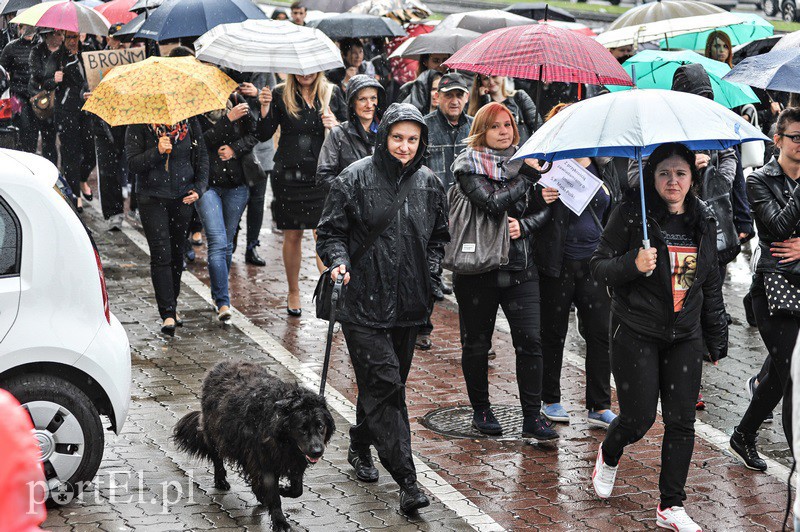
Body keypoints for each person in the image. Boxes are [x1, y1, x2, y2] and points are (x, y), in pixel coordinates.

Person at [316, 103, 449, 515]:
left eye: (412, 139)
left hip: (410, 307)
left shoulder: (430, 184)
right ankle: (408, 482)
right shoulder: (353, 178)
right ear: (384, 136)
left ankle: (359, 441)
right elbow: (329, 231)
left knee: (383, 387)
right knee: (387, 384)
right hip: (362, 305)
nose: (405, 146)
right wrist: (338, 259)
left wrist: (430, 274)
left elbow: (438, 238)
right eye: (397, 138)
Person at [590, 143, 727, 531]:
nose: (673, 181)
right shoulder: (634, 214)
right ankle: (610, 451)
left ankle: (671, 505)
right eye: (664, 172)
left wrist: (716, 336)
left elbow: (710, 281)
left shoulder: (703, 219)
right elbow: (598, 267)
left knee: (682, 421)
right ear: (652, 177)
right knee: (639, 417)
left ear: (692, 179)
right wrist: (632, 263)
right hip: (636, 330)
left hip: (685, 333)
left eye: (680, 173)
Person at [451, 102, 557, 441]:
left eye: (508, 125)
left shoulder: (527, 163)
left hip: (520, 268)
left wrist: (524, 227)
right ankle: (481, 409)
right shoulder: (467, 166)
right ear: (482, 131)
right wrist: (527, 175)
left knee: (531, 342)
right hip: (477, 270)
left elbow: (544, 213)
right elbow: (493, 202)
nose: (503, 131)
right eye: (495, 126)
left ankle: (531, 416)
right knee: (477, 343)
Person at [535, 103, 620, 429]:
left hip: (595, 263)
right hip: (558, 262)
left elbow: (615, 207)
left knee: (600, 333)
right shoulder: (547, 167)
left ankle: (599, 406)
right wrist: (538, 195)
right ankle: (550, 399)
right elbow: (529, 212)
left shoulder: (602, 164)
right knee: (553, 332)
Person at [729, 108, 800, 472]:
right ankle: (797, 456)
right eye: (796, 138)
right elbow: (776, 229)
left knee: (779, 374)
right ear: (778, 140)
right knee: (791, 374)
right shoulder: (758, 180)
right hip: (774, 290)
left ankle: (743, 434)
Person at [257, 72, 339, 316]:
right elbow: (263, 133)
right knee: (292, 235)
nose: (306, 74)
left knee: (321, 235)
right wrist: (264, 108)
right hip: (289, 174)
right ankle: (293, 291)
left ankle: (329, 294)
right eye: (301, 69)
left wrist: (335, 125)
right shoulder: (281, 93)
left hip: (321, 174)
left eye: (311, 69)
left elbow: (347, 130)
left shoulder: (331, 93)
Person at [125, 116, 208, 336]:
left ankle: (173, 303)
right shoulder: (140, 123)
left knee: (177, 252)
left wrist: (199, 188)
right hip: (151, 198)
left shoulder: (190, 123)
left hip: (182, 199)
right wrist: (157, 151)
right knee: (161, 254)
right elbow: (132, 164)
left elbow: (202, 159)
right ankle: (167, 312)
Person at [414, 72, 473, 350]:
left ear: (466, 97)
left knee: (469, 274)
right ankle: (421, 326)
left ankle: (474, 334)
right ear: (437, 96)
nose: (454, 100)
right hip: (431, 211)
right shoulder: (423, 127)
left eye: (459, 95)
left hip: (468, 212)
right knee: (428, 271)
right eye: (449, 95)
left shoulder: (475, 128)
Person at [196, 91, 258, 321]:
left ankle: (217, 293)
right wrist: (227, 121)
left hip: (237, 183)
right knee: (217, 241)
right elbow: (200, 142)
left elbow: (255, 135)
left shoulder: (238, 102)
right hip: (207, 184)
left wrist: (235, 149)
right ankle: (223, 302)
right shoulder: (194, 107)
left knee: (228, 242)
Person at [43, 30, 96, 212]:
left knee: (90, 153)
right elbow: (45, 81)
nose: (72, 41)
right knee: (70, 154)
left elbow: (97, 75)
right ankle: (75, 194)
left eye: (75, 37)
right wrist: (54, 79)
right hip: (67, 112)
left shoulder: (89, 51)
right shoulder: (58, 57)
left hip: (88, 110)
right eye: (69, 38)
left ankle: (82, 179)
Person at [92, 24, 130, 230]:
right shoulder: (96, 61)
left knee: (134, 166)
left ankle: (134, 206)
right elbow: (86, 87)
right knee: (108, 170)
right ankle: (113, 212)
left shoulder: (134, 61)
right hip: (104, 123)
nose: (120, 43)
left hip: (129, 123)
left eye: (123, 39)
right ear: (109, 40)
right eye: (116, 39)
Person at [316, 75, 384, 188]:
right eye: (362, 99)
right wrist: (350, 193)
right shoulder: (338, 134)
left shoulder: (387, 133)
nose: (369, 105)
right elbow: (324, 176)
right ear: (352, 103)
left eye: (373, 98)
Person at [468, 74, 541, 144]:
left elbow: (538, 127)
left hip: (522, 151)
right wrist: (485, 101)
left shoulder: (519, 97)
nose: (491, 82)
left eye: (494, 76)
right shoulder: (479, 105)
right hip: (495, 154)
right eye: (485, 78)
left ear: (502, 76)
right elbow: (483, 133)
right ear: (480, 82)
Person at [0, 24, 39, 154]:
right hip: (17, 95)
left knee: (34, 128)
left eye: (31, 28)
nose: (28, 32)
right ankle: (22, 152)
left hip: (36, 94)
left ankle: (31, 154)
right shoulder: (10, 47)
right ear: (19, 29)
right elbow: (3, 70)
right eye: (25, 28)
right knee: (23, 125)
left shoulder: (39, 46)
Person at [27, 28, 62, 165]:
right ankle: (51, 168)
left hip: (62, 100)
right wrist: (53, 79)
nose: (61, 38)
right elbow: (37, 74)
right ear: (49, 35)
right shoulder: (37, 51)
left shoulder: (63, 52)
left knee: (66, 141)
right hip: (44, 101)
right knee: (48, 139)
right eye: (58, 34)